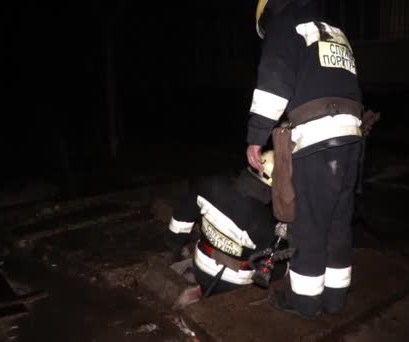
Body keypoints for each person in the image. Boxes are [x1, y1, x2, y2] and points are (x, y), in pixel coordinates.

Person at [246, 0, 364, 319]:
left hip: (318, 138)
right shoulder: (333, 30)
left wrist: (256, 137)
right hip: (351, 137)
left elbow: (274, 83)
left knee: (308, 225)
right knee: (338, 222)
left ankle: (305, 304)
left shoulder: (285, 25)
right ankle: (335, 299)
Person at [153, 151, 286, 295]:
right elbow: (264, 264)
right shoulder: (264, 221)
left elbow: (179, 223)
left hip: (200, 265)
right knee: (284, 267)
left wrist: (175, 245)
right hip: (233, 284)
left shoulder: (209, 185)